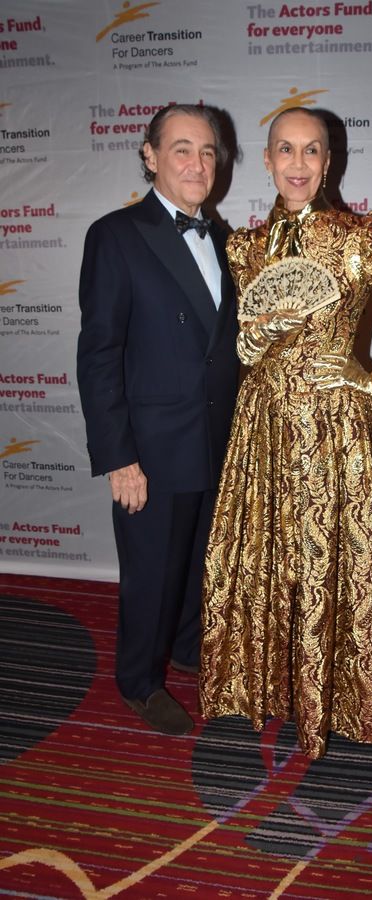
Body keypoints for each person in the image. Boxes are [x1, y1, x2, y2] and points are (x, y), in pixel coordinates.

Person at [198, 108, 372, 759]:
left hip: (334, 428)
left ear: (329, 160)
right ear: (265, 159)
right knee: (269, 556)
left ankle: (330, 700)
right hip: (261, 422)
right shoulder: (245, 248)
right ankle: (264, 688)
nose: (297, 163)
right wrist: (251, 340)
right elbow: (249, 343)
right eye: (284, 150)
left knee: (323, 559)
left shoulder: (358, 238)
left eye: (311, 151)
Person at [77, 104, 239, 736]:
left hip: (218, 438)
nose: (198, 163)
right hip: (150, 446)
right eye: (181, 149)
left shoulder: (227, 240)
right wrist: (119, 456)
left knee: (201, 561)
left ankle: (190, 648)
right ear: (149, 155)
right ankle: (139, 681)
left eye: (207, 151)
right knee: (150, 572)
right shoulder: (115, 235)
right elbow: (99, 353)